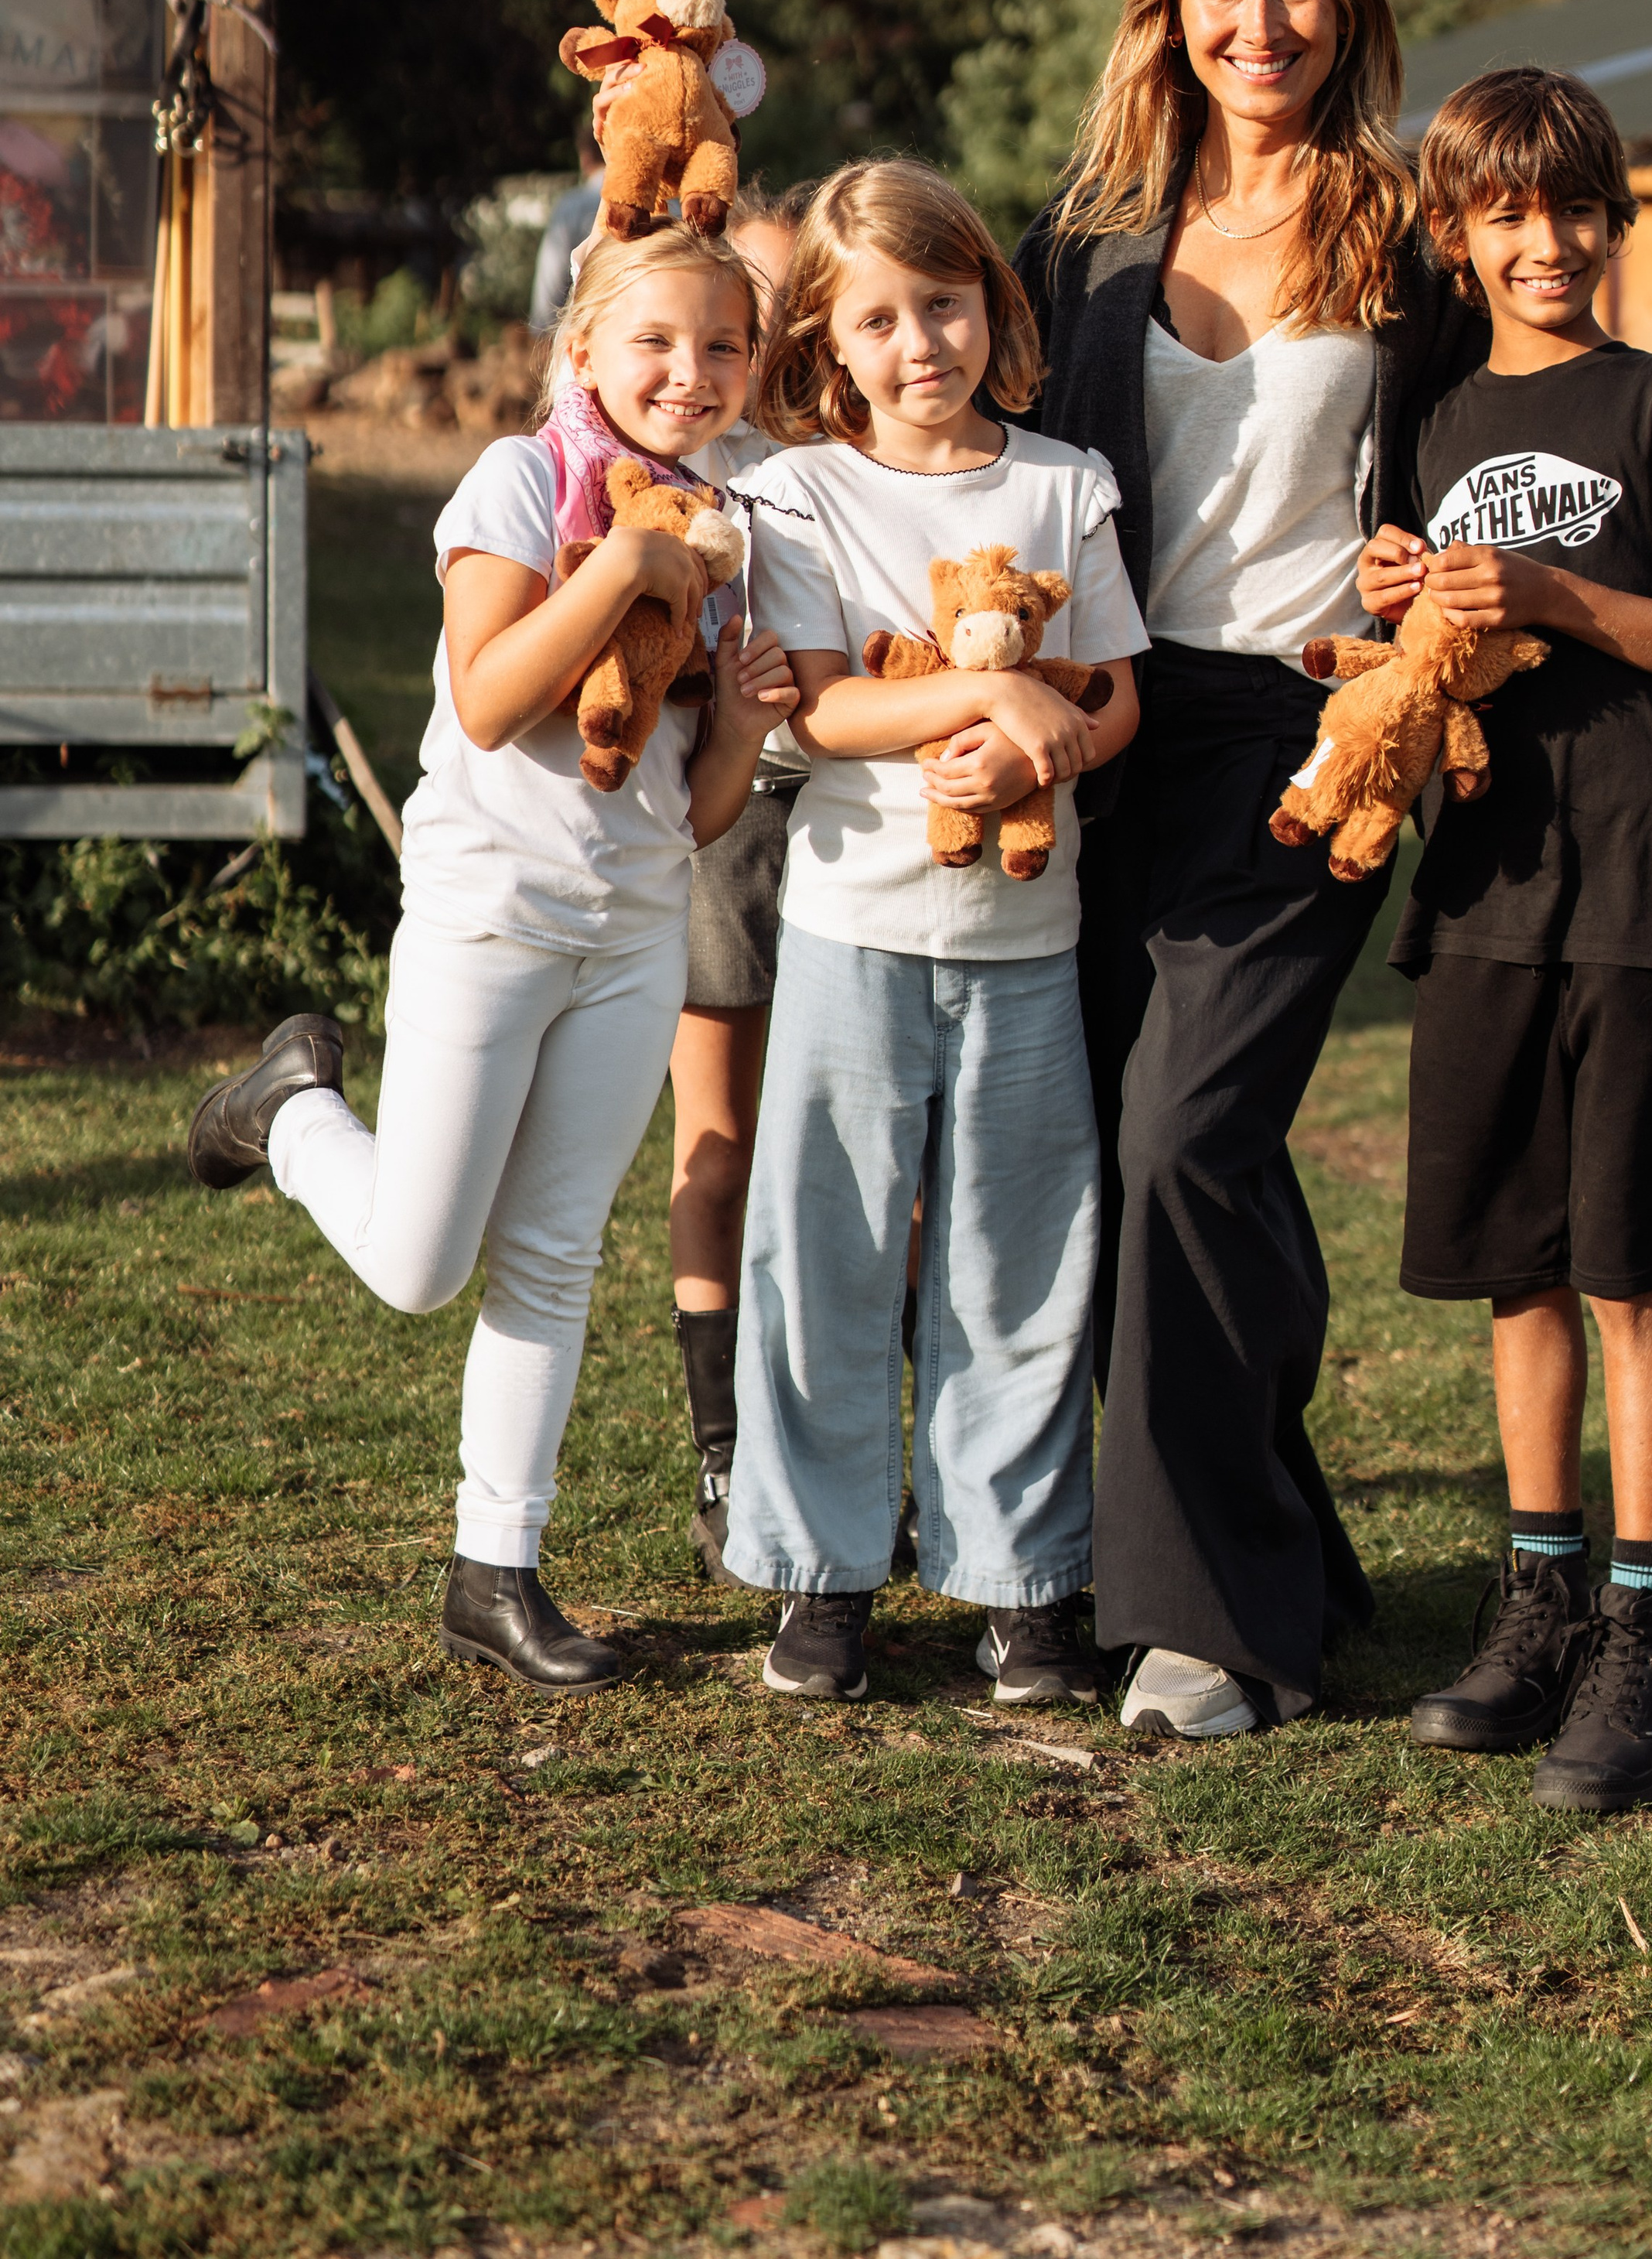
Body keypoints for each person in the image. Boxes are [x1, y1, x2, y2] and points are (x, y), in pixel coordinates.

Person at [186, 226, 798, 1693]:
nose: (689, 374)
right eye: (655, 342)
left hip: (636, 929)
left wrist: (742, 724)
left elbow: (696, 808)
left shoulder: (728, 531)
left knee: (553, 1257)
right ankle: (289, 1110)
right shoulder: (526, 484)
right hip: (488, 919)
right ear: (581, 346)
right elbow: (488, 696)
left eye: (723, 349)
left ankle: (497, 1570)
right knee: (416, 1266)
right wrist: (631, 564)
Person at [1013, 0, 1479, 1738]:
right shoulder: (1085, 247)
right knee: (1139, 1156)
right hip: (1112, 740)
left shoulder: (1403, 236)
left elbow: (1471, 468)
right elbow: (993, 488)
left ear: (1341, 6)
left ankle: (1207, 1625)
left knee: (1181, 1137)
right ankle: (1280, 1535)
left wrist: (1432, 583)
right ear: (1169, 12)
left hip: (1308, 751)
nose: (1256, 20)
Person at [1362, 64, 1652, 1812]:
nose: (1541, 241)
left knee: (1628, 1267)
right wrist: (1399, 602)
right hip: (1480, 897)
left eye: (1570, 208)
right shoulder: (1426, 419)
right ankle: (1535, 1597)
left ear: (1610, 218)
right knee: (1514, 1266)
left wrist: (1553, 595)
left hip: (1639, 897)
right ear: (1455, 237)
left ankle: (1644, 1634)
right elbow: (1404, 656)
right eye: (1503, 213)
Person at [724, 159, 1147, 1706]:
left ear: (991, 306)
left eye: (946, 305)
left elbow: (1113, 697)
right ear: (826, 343)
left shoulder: (1063, 485)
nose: (922, 346)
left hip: (1027, 946)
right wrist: (984, 693)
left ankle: (1018, 1578)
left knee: (1018, 1264)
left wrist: (1050, 741)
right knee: (824, 1250)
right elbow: (827, 704)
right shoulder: (795, 496)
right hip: (850, 935)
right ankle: (820, 1572)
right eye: (882, 319)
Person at [664, 179, 819, 1581]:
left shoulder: (855, 440)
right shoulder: (675, 458)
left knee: (850, 1163)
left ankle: (839, 1446)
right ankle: (724, 1448)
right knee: (715, 1144)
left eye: (782, 306)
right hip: (717, 821)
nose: (758, 337)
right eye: (738, 309)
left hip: (845, 823)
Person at [528, 114, 606, 334]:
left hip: (586, 333)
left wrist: (541, 329)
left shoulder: (572, 206)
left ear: (585, 157)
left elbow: (551, 278)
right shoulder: (667, 200)